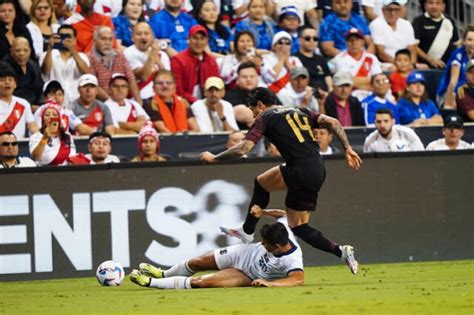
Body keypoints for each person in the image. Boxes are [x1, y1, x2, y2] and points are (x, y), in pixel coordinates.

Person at [201, 87, 362, 275]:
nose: (253, 115)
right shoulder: (298, 110)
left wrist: (214, 158)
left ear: (260, 105)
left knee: (298, 226)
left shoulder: (265, 117)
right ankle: (247, 230)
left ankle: (340, 250)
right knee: (262, 182)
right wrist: (347, 148)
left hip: (299, 170)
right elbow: (332, 121)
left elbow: (243, 148)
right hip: (316, 167)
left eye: (253, 110)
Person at [130, 206, 304, 289]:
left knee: (200, 282)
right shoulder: (284, 229)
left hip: (248, 275)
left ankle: (151, 282)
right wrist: (264, 212)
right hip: (243, 254)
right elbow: (283, 214)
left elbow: (298, 279)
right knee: (197, 262)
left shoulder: (292, 259)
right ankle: (163, 274)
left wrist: (270, 284)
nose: (262, 244)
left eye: (265, 244)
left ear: (277, 246)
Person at [88, 26, 141, 103]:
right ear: (95, 40)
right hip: (100, 103)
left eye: (110, 39)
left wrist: (139, 103)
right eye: (103, 39)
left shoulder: (119, 55)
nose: (107, 43)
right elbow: (94, 84)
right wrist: (112, 104)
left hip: (122, 101)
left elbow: (131, 79)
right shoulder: (89, 58)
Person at [40, 24, 90, 105]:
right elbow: (45, 71)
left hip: (77, 102)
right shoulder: (48, 54)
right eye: (62, 36)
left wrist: (72, 49)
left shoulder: (81, 56)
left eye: (68, 36)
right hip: (55, 102)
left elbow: (86, 72)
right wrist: (49, 47)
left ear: (75, 40)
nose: (65, 39)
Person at [170, 25, 219, 104]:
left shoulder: (211, 62)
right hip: (185, 102)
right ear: (188, 39)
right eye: (195, 38)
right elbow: (177, 89)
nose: (198, 42)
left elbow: (216, 86)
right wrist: (197, 102)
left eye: (202, 39)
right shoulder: (178, 60)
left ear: (207, 41)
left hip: (208, 102)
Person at [123, 22, 171, 100]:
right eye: (139, 34)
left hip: (161, 96)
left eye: (146, 33)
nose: (143, 37)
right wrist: (152, 56)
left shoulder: (162, 55)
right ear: (132, 38)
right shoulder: (128, 53)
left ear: (152, 37)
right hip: (141, 99)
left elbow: (168, 78)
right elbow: (144, 77)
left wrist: (158, 61)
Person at [412, 0, 459, 69]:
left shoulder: (449, 21)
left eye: (438, 3)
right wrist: (431, 60)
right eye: (431, 3)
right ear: (425, 5)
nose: (434, 6)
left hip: (447, 68)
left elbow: (456, 43)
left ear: (443, 6)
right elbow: (413, 46)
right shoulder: (418, 21)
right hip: (425, 68)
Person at [369, 0, 417, 65]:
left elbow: (412, 50)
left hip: (406, 64)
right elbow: (381, 54)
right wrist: (400, 64)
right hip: (386, 64)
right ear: (383, 10)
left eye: (396, 9)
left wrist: (412, 64)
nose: (393, 13)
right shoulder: (376, 24)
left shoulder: (407, 24)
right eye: (389, 10)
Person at [437, 25, 474, 109]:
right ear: (464, 41)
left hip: (467, 93)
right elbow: (453, 81)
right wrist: (448, 103)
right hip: (448, 93)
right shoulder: (457, 55)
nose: (472, 43)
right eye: (469, 40)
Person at [3, 37, 44, 108]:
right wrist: (29, 107)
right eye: (17, 50)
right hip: (12, 108)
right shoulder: (3, 67)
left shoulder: (33, 65)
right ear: (11, 51)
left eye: (25, 50)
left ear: (30, 51)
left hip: (36, 106)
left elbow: (40, 87)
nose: (22, 53)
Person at [0, 66, 38, 139]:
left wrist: (43, 138)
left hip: (19, 146)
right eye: (2, 80)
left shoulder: (23, 103)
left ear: (15, 84)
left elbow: (32, 127)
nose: (7, 82)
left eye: (10, 80)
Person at [223, 61, 261, 130]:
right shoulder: (231, 94)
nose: (249, 79)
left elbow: (281, 112)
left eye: (252, 76)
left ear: (257, 78)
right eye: (244, 77)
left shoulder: (266, 93)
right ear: (237, 80)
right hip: (241, 136)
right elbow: (243, 114)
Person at [295, 27, 332, 93]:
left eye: (315, 39)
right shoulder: (294, 58)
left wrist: (330, 92)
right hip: (305, 94)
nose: (312, 41)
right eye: (307, 38)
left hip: (325, 95)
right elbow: (297, 82)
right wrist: (317, 92)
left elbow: (328, 77)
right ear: (299, 41)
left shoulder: (321, 59)